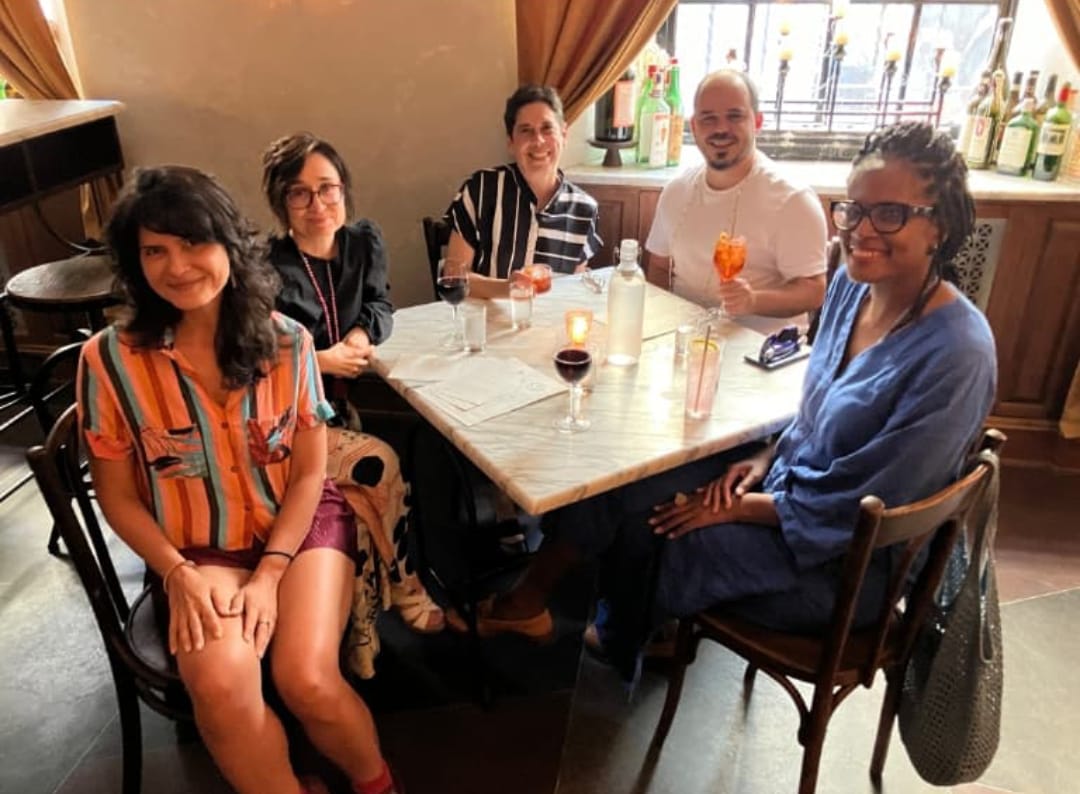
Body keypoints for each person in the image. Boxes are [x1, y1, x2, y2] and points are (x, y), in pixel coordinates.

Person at [472, 122, 998, 679]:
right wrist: (762, 459)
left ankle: (627, 632)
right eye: (854, 210)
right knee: (627, 484)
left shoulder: (957, 354)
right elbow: (815, 413)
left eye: (889, 214)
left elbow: (872, 509)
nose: (862, 230)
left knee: (656, 531)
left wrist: (740, 508)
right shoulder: (852, 286)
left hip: (842, 568)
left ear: (940, 224)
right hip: (786, 486)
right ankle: (564, 612)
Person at [77, 166, 402, 793]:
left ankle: (378, 785)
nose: (177, 267)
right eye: (154, 251)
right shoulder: (109, 361)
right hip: (197, 551)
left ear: (229, 242)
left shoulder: (289, 343)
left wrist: (271, 573)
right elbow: (116, 496)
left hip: (298, 529)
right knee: (223, 687)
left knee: (306, 678)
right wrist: (177, 574)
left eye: (193, 242)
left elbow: (309, 473)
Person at [263, 133, 444, 655]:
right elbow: (256, 355)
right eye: (300, 193)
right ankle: (406, 588)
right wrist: (319, 361)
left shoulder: (363, 242)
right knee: (377, 468)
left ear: (344, 189)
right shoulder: (266, 267)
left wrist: (361, 336)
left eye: (328, 188)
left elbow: (380, 304)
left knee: (405, 462)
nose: (318, 204)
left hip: (341, 406)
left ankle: (366, 622)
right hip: (290, 414)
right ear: (281, 202)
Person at [645, 70, 828, 334]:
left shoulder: (793, 199)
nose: (721, 129)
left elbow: (813, 291)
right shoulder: (677, 190)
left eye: (734, 116)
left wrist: (753, 300)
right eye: (708, 118)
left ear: (757, 122)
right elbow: (659, 267)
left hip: (762, 348)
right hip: (684, 340)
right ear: (694, 126)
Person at [444, 85, 602, 299]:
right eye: (526, 130)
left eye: (547, 128)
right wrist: (507, 289)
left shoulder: (584, 210)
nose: (538, 141)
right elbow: (454, 276)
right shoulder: (480, 189)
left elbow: (573, 290)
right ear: (511, 141)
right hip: (486, 317)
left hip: (548, 319)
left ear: (564, 134)